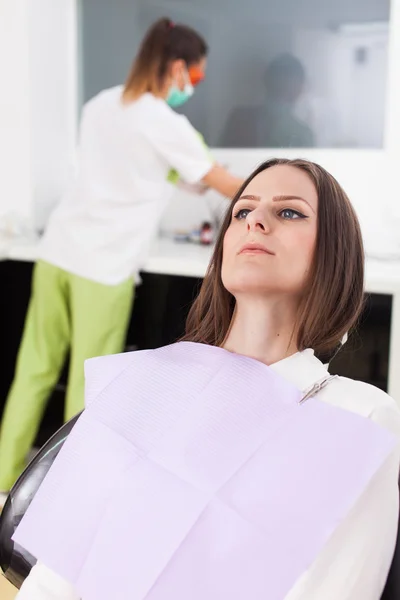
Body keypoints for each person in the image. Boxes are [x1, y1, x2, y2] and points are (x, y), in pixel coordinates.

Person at [13, 158, 400, 599]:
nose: (256, 220)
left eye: (289, 211)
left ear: (335, 253)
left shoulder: (358, 416)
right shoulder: (147, 385)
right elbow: (57, 576)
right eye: (242, 212)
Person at [0, 17, 243, 495]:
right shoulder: (164, 122)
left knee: (33, 369)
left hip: (59, 252)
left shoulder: (100, 105)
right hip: (102, 265)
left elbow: (141, 169)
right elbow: (225, 185)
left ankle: (4, 481)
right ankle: (64, 496)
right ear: (176, 68)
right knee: (87, 388)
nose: (192, 88)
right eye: (195, 78)